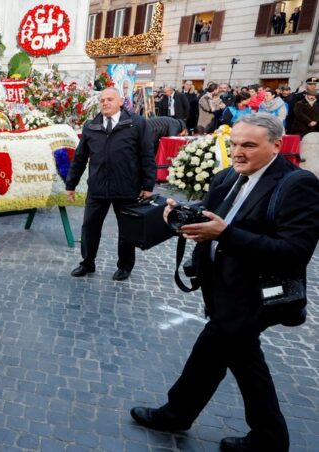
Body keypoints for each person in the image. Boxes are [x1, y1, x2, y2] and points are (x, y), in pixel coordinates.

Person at [130, 113, 319, 452]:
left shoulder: (297, 184)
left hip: (254, 294)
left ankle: (190, 417)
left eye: (249, 145)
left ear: (276, 146)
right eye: (234, 144)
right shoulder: (227, 176)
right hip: (219, 286)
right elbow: (216, 213)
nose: (238, 152)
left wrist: (227, 235)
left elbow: (294, 252)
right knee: (236, 357)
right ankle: (258, 434)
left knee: (218, 350)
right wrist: (182, 213)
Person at [65, 87, 155, 281]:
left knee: (127, 230)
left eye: (110, 99)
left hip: (127, 188)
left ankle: (124, 266)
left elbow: (147, 155)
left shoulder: (137, 124)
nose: (105, 103)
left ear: (121, 101)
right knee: (89, 227)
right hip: (97, 188)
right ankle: (87, 262)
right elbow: (80, 158)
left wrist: (148, 186)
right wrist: (70, 184)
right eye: (102, 100)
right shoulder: (91, 126)